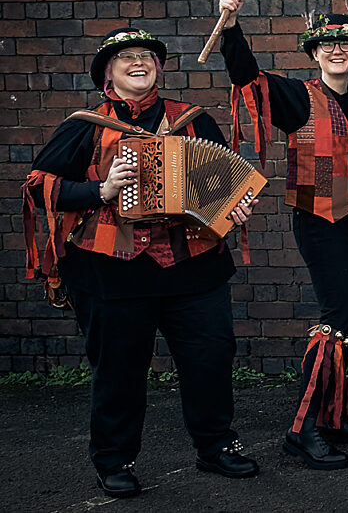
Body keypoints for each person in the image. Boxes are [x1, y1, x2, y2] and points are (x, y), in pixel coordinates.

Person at [25, 28, 259, 497]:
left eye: (147, 56)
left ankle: (216, 447)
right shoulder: (84, 126)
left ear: (159, 67)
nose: (138, 62)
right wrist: (100, 190)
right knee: (118, 370)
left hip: (194, 266)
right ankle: (114, 460)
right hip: (112, 270)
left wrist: (234, 206)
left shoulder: (192, 121)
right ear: (107, 72)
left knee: (210, 360)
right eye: (126, 57)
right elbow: (37, 185)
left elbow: (224, 185)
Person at [219, 0, 348, 470]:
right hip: (319, 220)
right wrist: (231, 26)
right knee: (334, 315)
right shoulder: (298, 97)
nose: (337, 50)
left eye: (346, 44)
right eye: (327, 45)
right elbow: (247, 77)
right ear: (314, 53)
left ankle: (335, 416)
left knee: (346, 319)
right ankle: (304, 427)